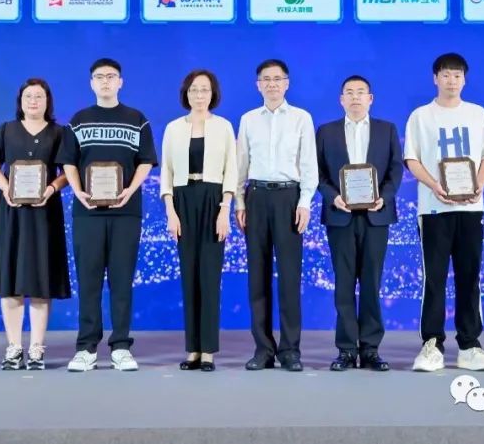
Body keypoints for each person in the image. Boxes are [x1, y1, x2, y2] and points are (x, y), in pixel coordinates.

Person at [59, 58, 157, 372]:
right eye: (99, 77)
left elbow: (145, 160)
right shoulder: (79, 120)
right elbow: (68, 161)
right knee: (88, 281)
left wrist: (129, 190)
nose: (105, 81)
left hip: (126, 212)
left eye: (111, 76)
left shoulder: (137, 119)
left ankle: (121, 346)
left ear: (120, 82)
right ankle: (86, 347)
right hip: (87, 213)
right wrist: (78, 191)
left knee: (121, 280)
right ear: (91, 83)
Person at [404, 53, 484, 373]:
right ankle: (432, 343)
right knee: (434, 277)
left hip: (470, 207)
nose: (451, 80)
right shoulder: (421, 116)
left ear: (465, 79)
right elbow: (412, 159)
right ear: (435, 78)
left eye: (457, 75)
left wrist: (479, 184)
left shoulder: (478, 114)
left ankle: (470, 344)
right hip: (434, 208)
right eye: (445, 75)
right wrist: (434, 185)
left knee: (470, 276)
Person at [316, 75, 403, 372]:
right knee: (343, 285)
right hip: (340, 215)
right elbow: (318, 173)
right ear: (341, 99)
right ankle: (345, 349)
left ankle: (370, 349)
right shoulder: (326, 132)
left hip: (376, 216)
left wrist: (384, 198)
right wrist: (333, 197)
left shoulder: (386, 130)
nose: (355, 97)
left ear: (370, 98)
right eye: (349, 93)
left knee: (371, 284)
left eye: (360, 92)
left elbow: (395, 170)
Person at [235, 58, 317, 372]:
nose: (272, 84)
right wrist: (240, 203)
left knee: (290, 277)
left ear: (287, 83)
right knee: (257, 277)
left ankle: (291, 350)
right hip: (256, 197)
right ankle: (263, 349)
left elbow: (308, 164)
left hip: (288, 197)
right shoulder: (248, 120)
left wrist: (305, 202)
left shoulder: (301, 118)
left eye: (277, 79)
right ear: (258, 85)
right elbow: (241, 164)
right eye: (266, 79)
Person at [0, 78, 70, 371]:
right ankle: (13, 347)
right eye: (28, 96)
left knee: (40, 280)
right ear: (20, 101)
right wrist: (5, 187)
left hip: (45, 213)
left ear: (48, 101)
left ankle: (36, 349)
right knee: (11, 281)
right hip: (11, 212)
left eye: (39, 96)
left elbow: (67, 171)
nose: (33, 101)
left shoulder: (59, 132)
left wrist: (52, 188)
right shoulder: (6, 130)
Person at [159, 70, 236, 372]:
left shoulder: (224, 126)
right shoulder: (173, 128)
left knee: (209, 276)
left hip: (213, 199)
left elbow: (231, 170)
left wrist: (225, 209)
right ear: (186, 94)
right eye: (194, 89)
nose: (199, 95)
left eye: (204, 89)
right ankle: (192, 349)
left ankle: (208, 351)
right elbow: (166, 171)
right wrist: (171, 211)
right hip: (182, 199)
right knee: (189, 276)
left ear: (212, 94)